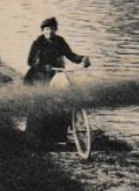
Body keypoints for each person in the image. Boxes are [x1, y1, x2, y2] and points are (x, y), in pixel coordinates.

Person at [24, 17, 90, 146]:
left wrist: (83, 59)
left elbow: (71, 55)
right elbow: (30, 62)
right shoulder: (38, 43)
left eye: (51, 29)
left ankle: (57, 137)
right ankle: (34, 138)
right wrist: (44, 67)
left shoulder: (59, 41)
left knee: (60, 100)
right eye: (46, 29)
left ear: (55, 29)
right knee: (39, 102)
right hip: (38, 75)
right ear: (43, 31)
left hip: (55, 74)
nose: (49, 31)